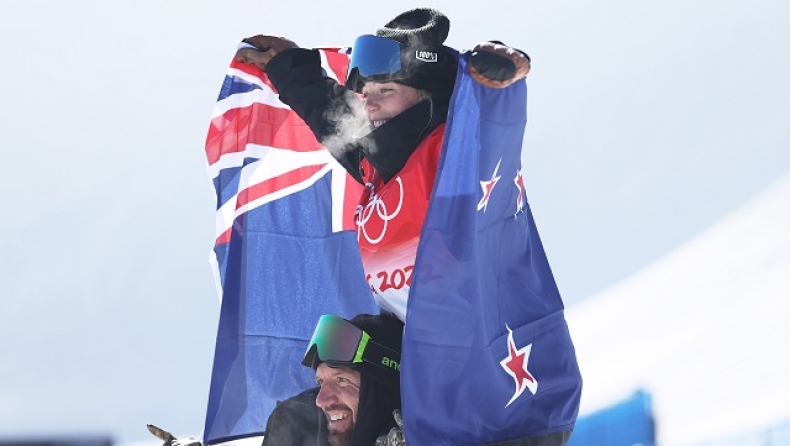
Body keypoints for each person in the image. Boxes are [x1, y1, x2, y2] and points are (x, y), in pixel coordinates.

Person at [234, 7, 531, 323]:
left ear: (425, 95)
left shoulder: (451, 151)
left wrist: (492, 79)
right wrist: (287, 65)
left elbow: (489, 123)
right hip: (425, 357)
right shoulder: (375, 164)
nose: (370, 104)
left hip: (488, 344)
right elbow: (329, 113)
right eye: (366, 93)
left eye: (386, 90)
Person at [264, 313, 405, 446]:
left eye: (341, 380)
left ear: (383, 388)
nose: (321, 401)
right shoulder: (293, 423)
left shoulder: (422, 438)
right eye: (320, 382)